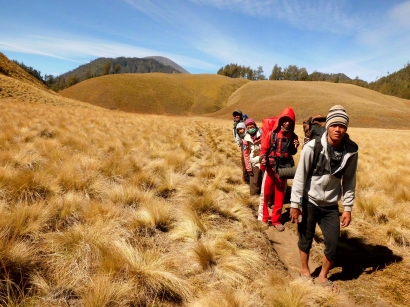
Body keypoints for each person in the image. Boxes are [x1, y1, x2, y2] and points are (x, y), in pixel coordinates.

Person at [289, 105, 358, 292]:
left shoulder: (351, 151)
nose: (338, 129)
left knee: (333, 244)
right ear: (328, 126)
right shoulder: (313, 147)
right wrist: (295, 204)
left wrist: (348, 207)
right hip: (309, 200)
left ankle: (323, 276)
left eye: (342, 126)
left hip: (330, 205)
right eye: (334, 124)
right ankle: (305, 272)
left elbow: (349, 181)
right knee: (306, 238)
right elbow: (300, 176)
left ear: (346, 128)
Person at [260, 107, 299, 231]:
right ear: (281, 120)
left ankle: (276, 220)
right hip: (271, 168)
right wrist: (263, 159)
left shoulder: (293, 136)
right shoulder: (272, 134)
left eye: (290, 121)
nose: (287, 123)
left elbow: (292, 152)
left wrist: (295, 147)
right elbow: (263, 150)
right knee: (266, 193)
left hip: (283, 168)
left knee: (280, 195)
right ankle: (265, 217)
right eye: (285, 120)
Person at [242, 118, 263, 195]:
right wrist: (248, 167)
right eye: (248, 125)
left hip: (264, 160)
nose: (250, 127)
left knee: (265, 182)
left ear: (255, 124)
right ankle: (254, 200)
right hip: (254, 162)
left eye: (251, 124)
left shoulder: (262, 133)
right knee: (254, 183)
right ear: (246, 127)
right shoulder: (246, 139)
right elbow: (246, 153)